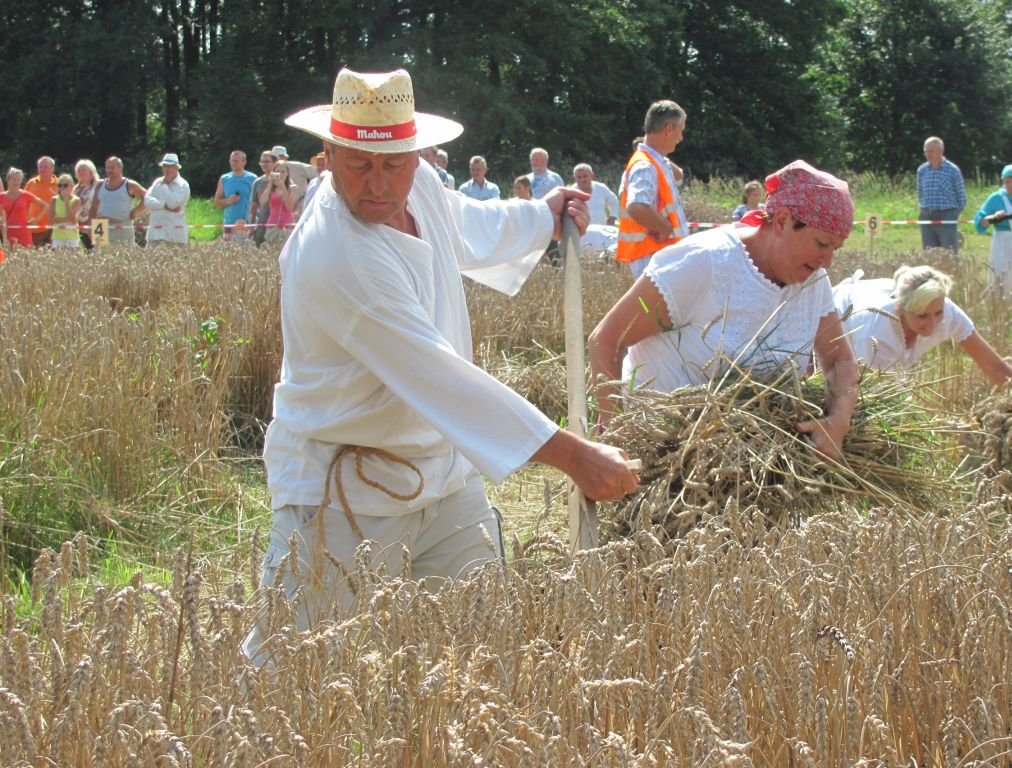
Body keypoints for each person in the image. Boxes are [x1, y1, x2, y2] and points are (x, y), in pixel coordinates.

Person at [242, 66, 637, 665]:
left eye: (393, 163)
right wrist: (575, 456)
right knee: (288, 678)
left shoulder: (417, 182)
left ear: (417, 152)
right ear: (327, 155)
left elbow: (465, 223)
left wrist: (542, 215)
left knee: (482, 648)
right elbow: (445, 382)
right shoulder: (338, 257)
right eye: (358, 164)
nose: (378, 184)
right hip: (343, 492)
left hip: (444, 480)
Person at [590, 160, 859, 460]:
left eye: (836, 248)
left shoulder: (812, 281)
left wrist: (839, 421)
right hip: (665, 454)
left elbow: (839, 361)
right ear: (782, 221)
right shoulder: (704, 262)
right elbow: (607, 339)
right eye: (822, 243)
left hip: (755, 464)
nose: (828, 262)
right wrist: (617, 439)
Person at [834, 266, 1012, 385]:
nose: (932, 324)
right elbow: (879, 396)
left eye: (938, 313)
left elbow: (995, 366)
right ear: (901, 308)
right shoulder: (876, 333)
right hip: (835, 321)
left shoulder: (947, 312)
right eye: (922, 315)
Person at [617, 100, 690, 279]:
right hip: (655, 258)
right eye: (680, 130)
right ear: (668, 129)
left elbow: (679, 176)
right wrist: (665, 227)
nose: (681, 138)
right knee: (656, 309)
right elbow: (636, 206)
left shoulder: (655, 162)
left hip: (657, 257)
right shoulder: (645, 166)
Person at [974, 164, 1012, 299]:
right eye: (1007, 181)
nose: (1010, 185)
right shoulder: (996, 197)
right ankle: (1003, 301)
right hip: (1003, 241)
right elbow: (979, 220)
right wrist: (993, 217)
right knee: (1004, 271)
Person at [917, 137, 966, 254]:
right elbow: (920, 193)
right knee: (929, 255)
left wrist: (954, 215)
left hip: (947, 216)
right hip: (926, 216)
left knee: (949, 255)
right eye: (926, 151)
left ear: (940, 151)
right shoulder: (922, 170)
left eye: (931, 151)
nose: (927, 154)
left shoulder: (953, 170)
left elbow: (962, 197)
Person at [90, 157, 147, 247]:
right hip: (101, 225)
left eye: (112, 167)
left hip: (121, 224)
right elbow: (94, 206)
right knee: (100, 256)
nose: (109, 170)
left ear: (120, 168)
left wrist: (136, 211)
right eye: (107, 167)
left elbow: (147, 197)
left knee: (123, 255)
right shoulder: (100, 185)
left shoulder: (129, 185)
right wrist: (91, 224)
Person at [144, 153, 191, 246]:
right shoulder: (157, 182)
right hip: (155, 234)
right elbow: (147, 201)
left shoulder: (183, 185)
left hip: (174, 235)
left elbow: (172, 204)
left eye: (169, 166)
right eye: (164, 166)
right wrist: (164, 205)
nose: (166, 169)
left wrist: (165, 185)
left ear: (176, 168)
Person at [214, 150, 257, 238]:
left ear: (244, 162)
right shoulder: (224, 179)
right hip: (229, 222)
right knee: (228, 250)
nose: (234, 163)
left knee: (246, 249)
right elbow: (217, 201)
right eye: (232, 160)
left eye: (236, 161)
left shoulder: (253, 178)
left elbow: (258, 201)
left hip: (246, 222)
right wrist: (229, 201)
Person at [0, 168, 47, 247]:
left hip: (24, 233)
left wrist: (36, 220)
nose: (16, 182)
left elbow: (45, 206)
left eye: (19, 180)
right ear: (8, 180)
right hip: (7, 233)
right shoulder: (1, 196)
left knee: (26, 257)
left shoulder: (26, 195)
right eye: (14, 179)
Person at [258, 159, 298, 243]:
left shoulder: (292, 188)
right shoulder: (271, 189)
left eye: (283, 172)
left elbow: (290, 208)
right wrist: (270, 184)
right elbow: (262, 202)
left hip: (286, 226)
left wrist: (283, 188)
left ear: (287, 173)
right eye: (277, 172)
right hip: (272, 225)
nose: (280, 174)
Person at [270, 145, 318, 211]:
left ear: (285, 157)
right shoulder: (272, 170)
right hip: (280, 206)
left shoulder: (297, 166)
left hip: (301, 203)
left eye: (280, 156)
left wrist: (313, 192)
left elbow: (318, 173)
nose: (278, 159)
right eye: (275, 157)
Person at [25, 156, 58, 247]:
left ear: (52, 169)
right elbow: (24, 202)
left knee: (55, 258)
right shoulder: (31, 183)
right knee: (36, 258)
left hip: (54, 229)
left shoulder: (60, 184)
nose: (43, 169)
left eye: (46, 167)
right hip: (35, 228)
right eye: (40, 167)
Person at [250, 150, 277, 245]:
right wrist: (251, 225)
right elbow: (254, 205)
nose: (264, 164)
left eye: (267, 161)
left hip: (278, 224)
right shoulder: (257, 182)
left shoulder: (282, 181)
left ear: (274, 163)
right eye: (262, 162)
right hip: (261, 223)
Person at [73, 159, 100, 250]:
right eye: (79, 170)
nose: (81, 172)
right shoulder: (74, 189)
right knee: (86, 251)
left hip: (98, 222)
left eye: (84, 170)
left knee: (99, 251)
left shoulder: (100, 186)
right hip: (80, 224)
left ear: (91, 172)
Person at [49, 173, 81, 249]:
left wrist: (66, 201)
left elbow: (71, 216)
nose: (62, 187)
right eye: (60, 185)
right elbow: (51, 219)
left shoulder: (76, 200)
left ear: (72, 186)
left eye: (65, 185)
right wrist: (68, 219)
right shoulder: (54, 200)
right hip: (58, 235)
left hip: (72, 235)